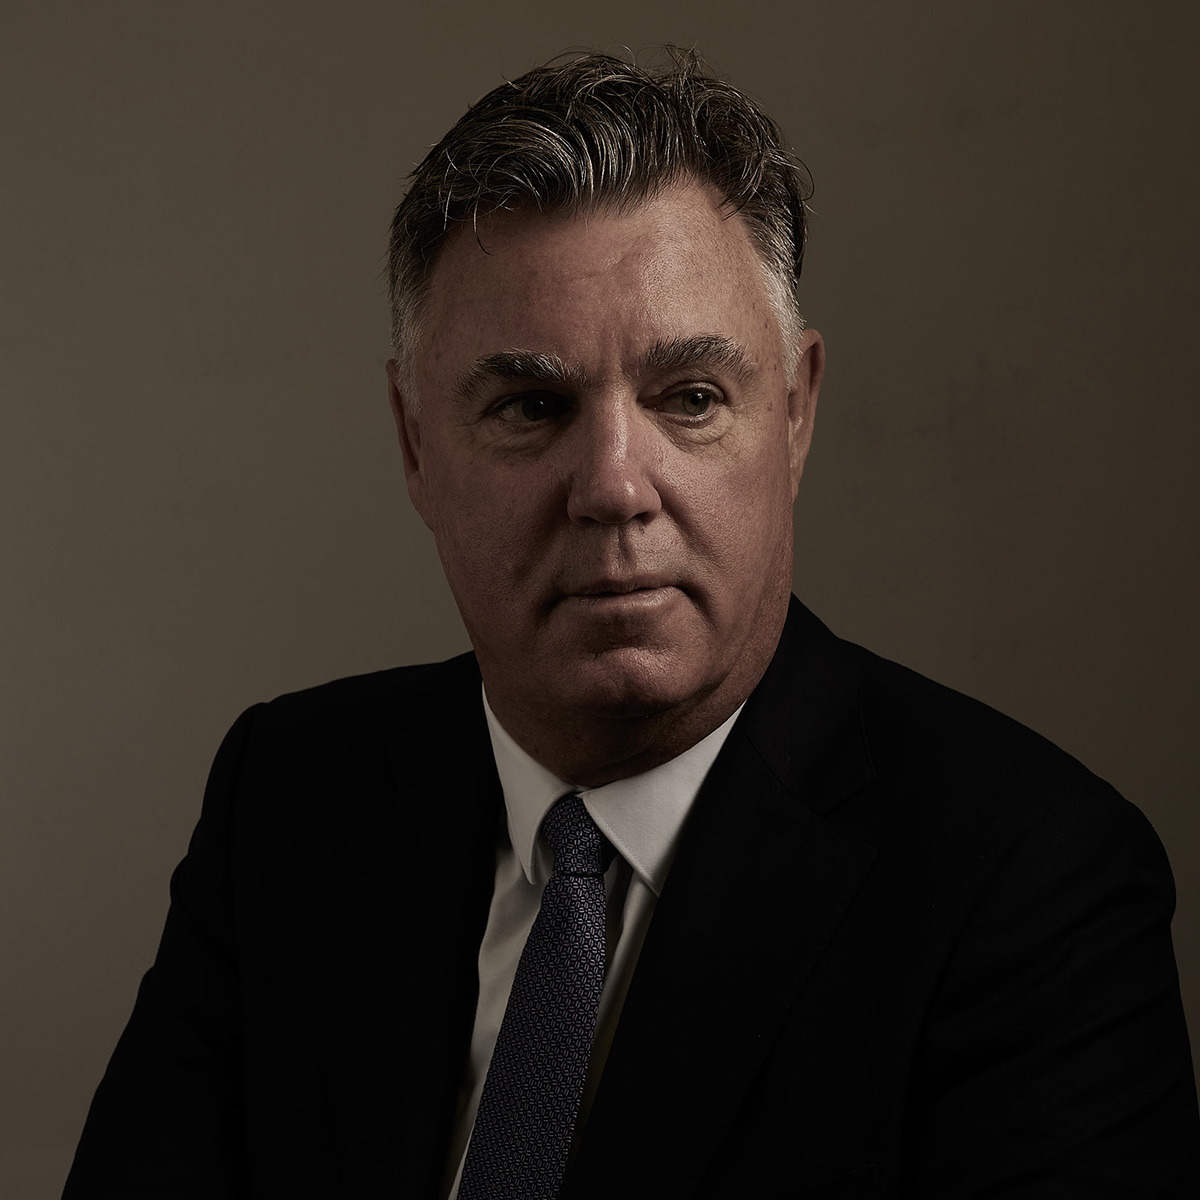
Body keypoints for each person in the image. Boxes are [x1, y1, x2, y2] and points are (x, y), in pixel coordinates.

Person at [64, 48, 1198, 1199]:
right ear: (413, 442)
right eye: (531, 406)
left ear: (795, 414)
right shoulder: (286, 800)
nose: (613, 486)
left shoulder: (1032, 883)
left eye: (691, 398)